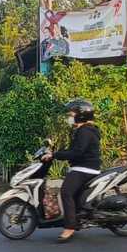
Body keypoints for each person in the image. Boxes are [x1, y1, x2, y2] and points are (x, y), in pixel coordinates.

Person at [42, 99, 101, 243]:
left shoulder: (84, 131)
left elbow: (76, 152)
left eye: (71, 114)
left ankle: (69, 227)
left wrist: (54, 155)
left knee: (66, 192)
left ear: (81, 115)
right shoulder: (84, 130)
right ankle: (76, 219)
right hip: (84, 167)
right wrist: (55, 152)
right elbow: (73, 150)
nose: (69, 117)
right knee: (73, 194)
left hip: (85, 168)